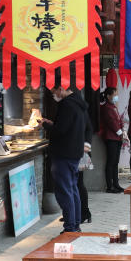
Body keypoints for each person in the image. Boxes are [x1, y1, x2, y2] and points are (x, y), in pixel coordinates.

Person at [42, 85, 92, 233]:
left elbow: (61, 130)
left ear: (61, 89)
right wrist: (52, 124)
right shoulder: (79, 103)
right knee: (72, 189)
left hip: (63, 153)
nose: (54, 95)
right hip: (74, 153)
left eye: (54, 92)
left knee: (65, 191)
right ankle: (75, 224)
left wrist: (45, 124)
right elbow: (70, 126)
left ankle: (70, 227)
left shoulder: (66, 105)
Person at [99, 87, 125, 193]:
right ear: (108, 96)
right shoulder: (106, 107)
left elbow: (119, 119)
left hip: (117, 137)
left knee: (115, 162)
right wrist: (120, 132)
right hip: (111, 137)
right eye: (115, 94)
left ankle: (116, 184)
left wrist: (122, 130)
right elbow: (111, 122)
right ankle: (109, 186)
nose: (116, 96)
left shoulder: (113, 106)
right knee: (111, 162)